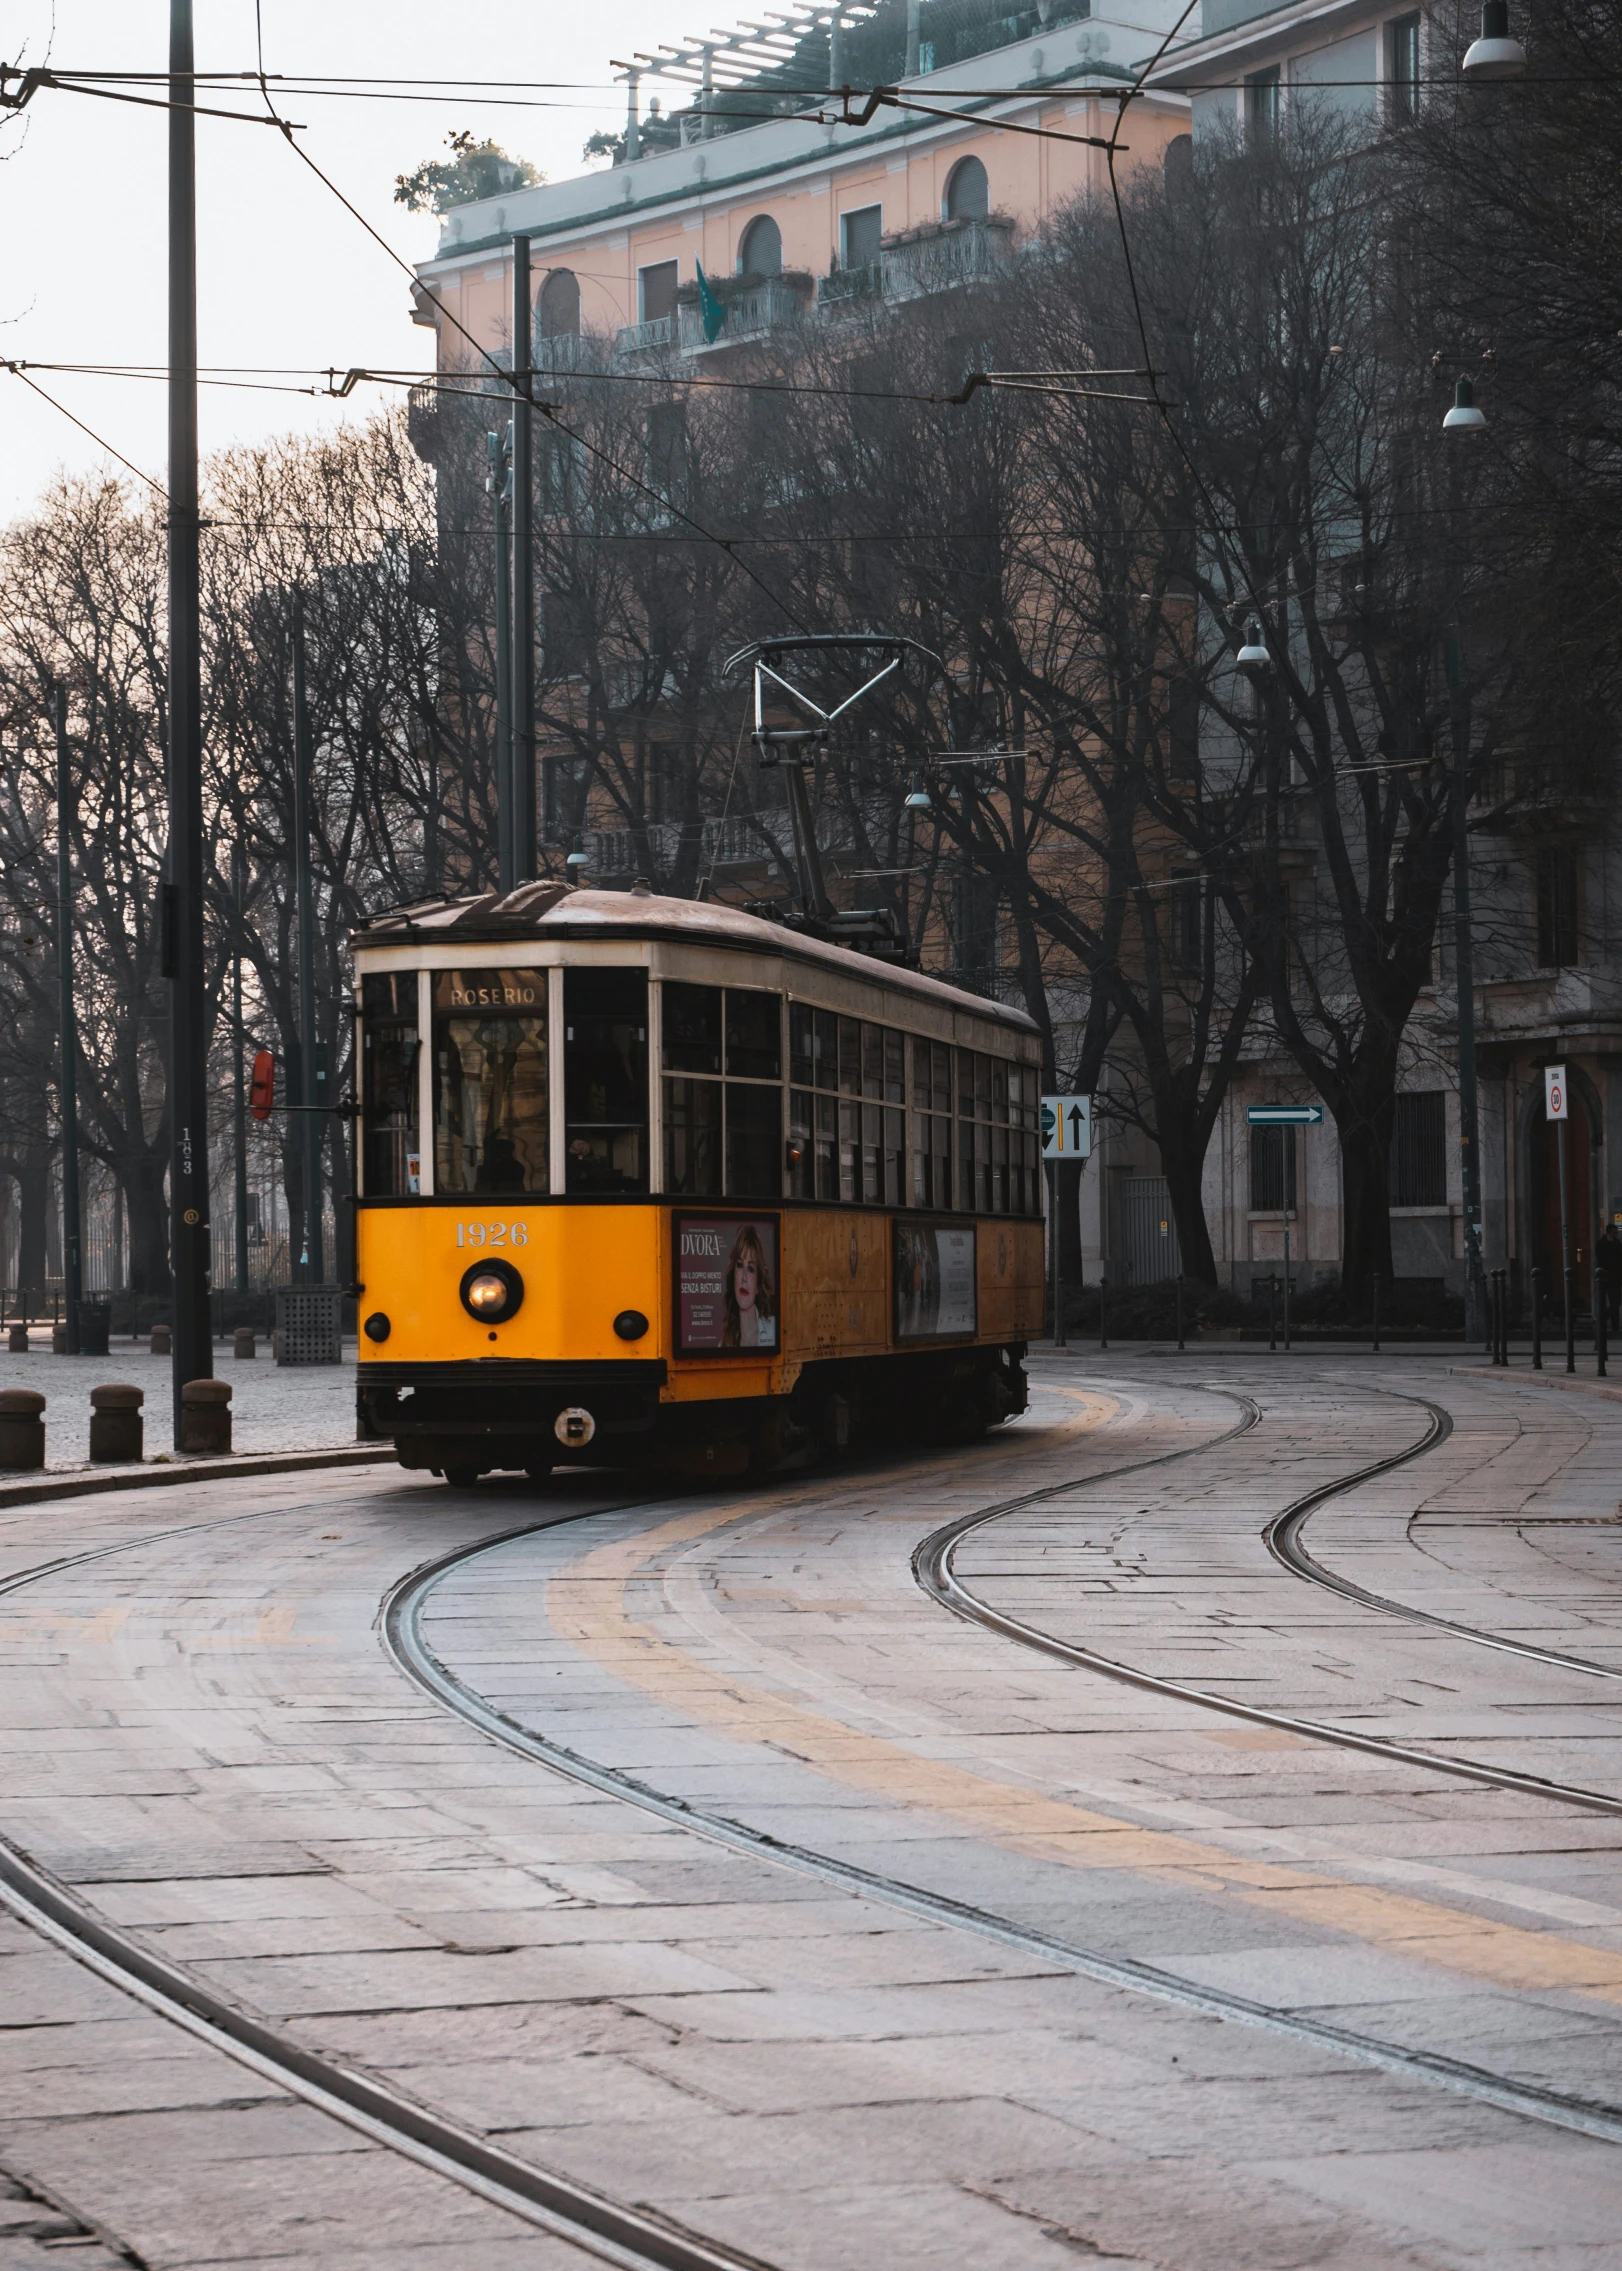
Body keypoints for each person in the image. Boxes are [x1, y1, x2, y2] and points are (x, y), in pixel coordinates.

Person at [722, 1223, 777, 1349]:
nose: (744, 1277)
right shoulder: (723, 1344)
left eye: (751, 1269)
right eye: (740, 1265)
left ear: (758, 1285)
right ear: (733, 1275)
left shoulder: (775, 1330)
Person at [1597, 1222, 1622, 1332]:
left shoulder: (1617, 1243)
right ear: (1608, 1233)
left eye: (1616, 1233)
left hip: (1616, 1277)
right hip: (1607, 1277)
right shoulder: (1602, 1243)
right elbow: (1602, 1259)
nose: (1615, 1235)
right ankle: (1602, 1319)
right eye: (1613, 1233)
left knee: (1616, 1302)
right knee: (1614, 1302)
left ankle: (1614, 1326)